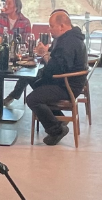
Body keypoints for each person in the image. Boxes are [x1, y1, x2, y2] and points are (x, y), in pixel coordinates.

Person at [26, 10, 88, 145]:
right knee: (32, 80)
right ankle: (58, 118)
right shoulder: (69, 37)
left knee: (32, 99)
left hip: (67, 85)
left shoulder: (68, 42)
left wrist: (44, 55)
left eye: (51, 26)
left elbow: (57, 68)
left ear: (62, 26)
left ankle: (56, 130)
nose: (49, 29)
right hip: (65, 81)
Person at [0, 0, 34, 108]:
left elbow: (27, 40)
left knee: (28, 74)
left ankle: (12, 96)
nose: (6, 5)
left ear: (16, 7)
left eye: (9, 3)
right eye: (5, 3)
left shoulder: (25, 22)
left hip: (17, 56)